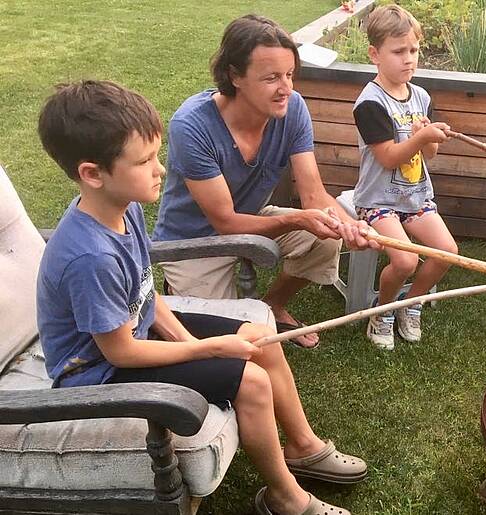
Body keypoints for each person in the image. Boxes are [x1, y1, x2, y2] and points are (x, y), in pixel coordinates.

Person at [36, 80, 365, 515]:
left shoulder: (124, 208)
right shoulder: (89, 257)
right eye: (145, 161)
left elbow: (146, 298)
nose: (160, 170)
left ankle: (303, 446)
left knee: (258, 336)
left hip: (131, 339)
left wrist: (189, 343)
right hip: (96, 374)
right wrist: (209, 348)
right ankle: (285, 498)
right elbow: (122, 352)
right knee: (250, 382)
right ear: (92, 174)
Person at [153, 14, 374, 349]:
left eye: (289, 75)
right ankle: (179, 292)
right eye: (272, 78)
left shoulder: (293, 108)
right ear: (234, 75)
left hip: (254, 216)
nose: (286, 88)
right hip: (194, 240)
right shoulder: (192, 126)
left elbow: (314, 195)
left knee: (325, 240)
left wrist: (351, 226)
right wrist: (298, 219)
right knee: (224, 342)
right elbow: (225, 222)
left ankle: (273, 303)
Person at [353, 5, 458, 350]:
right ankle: (382, 312)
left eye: (413, 50)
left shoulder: (421, 96)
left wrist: (428, 139)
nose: (408, 59)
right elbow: (386, 158)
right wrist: (418, 138)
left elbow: (428, 156)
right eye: (399, 52)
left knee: (447, 252)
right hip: (378, 200)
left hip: (414, 196)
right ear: (375, 54)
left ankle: (410, 303)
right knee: (405, 259)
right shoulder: (371, 103)